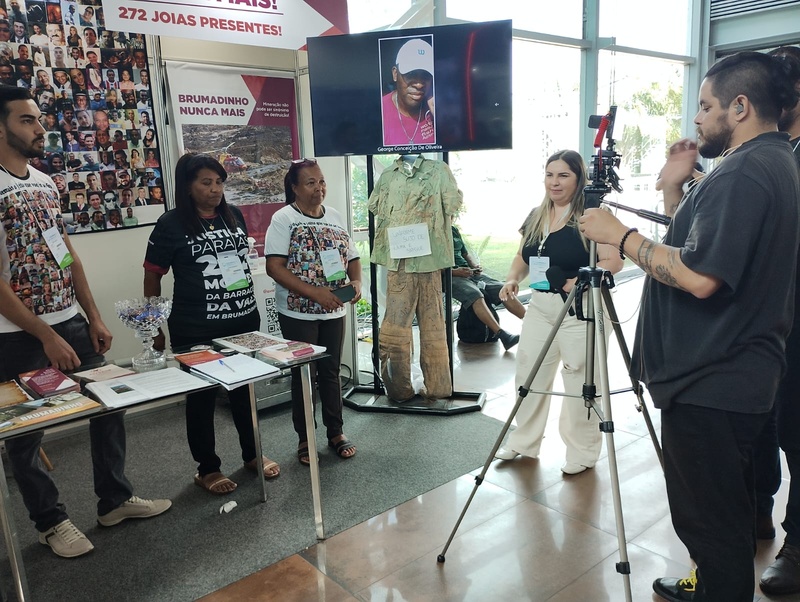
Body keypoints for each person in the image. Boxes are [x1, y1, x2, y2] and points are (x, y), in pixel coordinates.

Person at [578, 51, 800, 602]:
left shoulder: (747, 172)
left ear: (741, 106)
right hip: (730, 376)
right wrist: (677, 190)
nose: (697, 119)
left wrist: (620, 236)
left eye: (705, 106)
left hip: (713, 382)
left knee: (715, 528)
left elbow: (701, 275)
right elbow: (705, 244)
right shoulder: (773, 162)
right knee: (721, 515)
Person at [0, 86, 171, 558]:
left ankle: (114, 500)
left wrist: (91, 315)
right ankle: (50, 522)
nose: (40, 128)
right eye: (27, 121)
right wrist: (44, 333)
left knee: (109, 403)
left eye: (38, 119)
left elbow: (67, 256)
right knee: (26, 431)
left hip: (71, 322)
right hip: (17, 337)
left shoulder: (43, 181)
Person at [143, 154, 280, 494]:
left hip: (243, 320)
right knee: (202, 398)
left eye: (219, 182)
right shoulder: (171, 224)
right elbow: (152, 275)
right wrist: (153, 325)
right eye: (206, 183)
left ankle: (252, 454)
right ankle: (207, 468)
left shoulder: (232, 215)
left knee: (244, 392)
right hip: (196, 327)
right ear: (188, 186)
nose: (215, 189)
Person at [494, 150, 623, 474]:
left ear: (579, 179)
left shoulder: (591, 216)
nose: (555, 181)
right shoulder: (537, 215)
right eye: (550, 174)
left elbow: (614, 262)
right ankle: (524, 441)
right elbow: (523, 258)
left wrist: (573, 281)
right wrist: (512, 279)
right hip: (541, 307)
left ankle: (582, 451)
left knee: (581, 378)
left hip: (580, 309)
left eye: (563, 175)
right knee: (529, 372)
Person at [265, 158, 361, 465]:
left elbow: (353, 256)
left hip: (334, 310)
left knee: (330, 372)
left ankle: (336, 432)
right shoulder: (283, 219)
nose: (319, 188)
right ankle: (305, 438)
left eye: (321, 182)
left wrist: (357, 282)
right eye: (310, 183)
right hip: (298, 312)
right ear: (294, 188)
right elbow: (274, 267)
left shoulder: (333, 216)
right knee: (303, 376)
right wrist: (315, 294)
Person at [755, 45, 800, 597]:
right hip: (765, 319)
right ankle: (757, 511)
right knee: (758, 423)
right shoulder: (770, 151)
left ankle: (797, 541)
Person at [451, 224, 525, 349]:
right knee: (475, 295)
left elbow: (465, 254)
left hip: (468, 272)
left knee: (502, 288)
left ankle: (533, 324)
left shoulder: (453, 230)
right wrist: (455, 272)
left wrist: (475, 266)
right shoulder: (431, 232)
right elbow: (429, 266)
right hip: (449, 276)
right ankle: (503, 335)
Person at [381, 37, 435, 146]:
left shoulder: (435, 108)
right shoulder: (380, 111)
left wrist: (441, 118)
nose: (419, 84)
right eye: (411, 74)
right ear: (395, 74)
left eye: (426, 75)